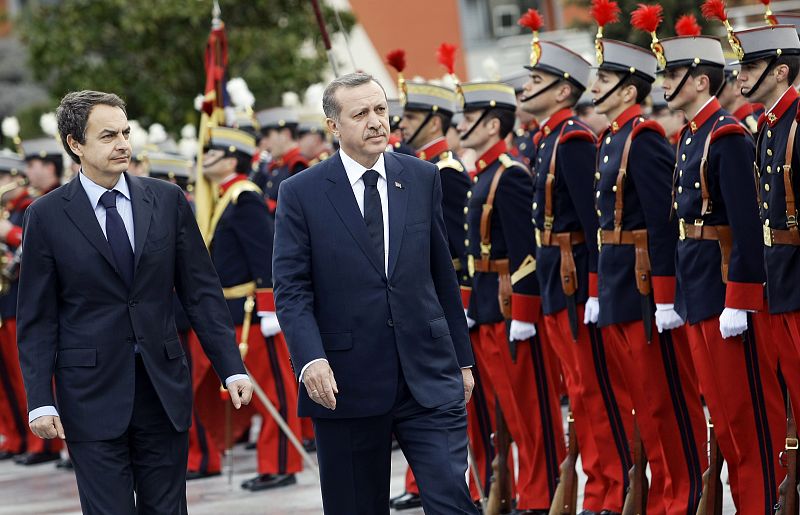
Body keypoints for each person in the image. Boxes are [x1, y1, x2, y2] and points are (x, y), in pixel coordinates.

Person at [16, 90, 253, 514]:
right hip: (90, 395)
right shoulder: (46, 215)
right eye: (108, 136)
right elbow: (38, 317)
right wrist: (39, 399)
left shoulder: (166, 200)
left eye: (125, 133)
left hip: (162, 389)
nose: (123, 144)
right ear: (75, 144)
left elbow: (201, 292)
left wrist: (231, 367)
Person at [273, 72, 477, 515]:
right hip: (346, 383)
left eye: (381, 110)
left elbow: (441, 275)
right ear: (333, 126)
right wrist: (310, 359)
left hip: (428, 375)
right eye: (361, 113)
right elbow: (291, 290)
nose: (375, 121)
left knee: (452, 501)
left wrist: (462, 360)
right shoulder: (301, 192)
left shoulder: (422, 177)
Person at [651, 10, 784, 511]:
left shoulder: (725, 136)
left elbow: (747, 225)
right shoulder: (691, 136)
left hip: (726, 291)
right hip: (699, 288)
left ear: (700, 80)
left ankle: (764, 502)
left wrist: (740, 298)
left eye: (672, 74)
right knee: (724, 418)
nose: (664, 83)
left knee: (748, 415)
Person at [589, 23, 706, 513]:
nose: (593, 88)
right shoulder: (612, 139)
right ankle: (664, 496)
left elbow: (662, 223)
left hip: (643, 288)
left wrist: (665, 296)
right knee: (643, 401)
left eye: (602, 80)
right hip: (619, 284)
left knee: (664, 401)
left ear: (627, 90)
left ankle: (685, 497)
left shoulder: (645, 138)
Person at [520, 35, 633, 514]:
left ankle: (615, 488)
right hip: (553, 276)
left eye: (537, 80)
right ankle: (597, 487)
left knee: (595, 389)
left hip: (574, 279)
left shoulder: (573, 140)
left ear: (564, 91)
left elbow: (593, 224)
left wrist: (594, 288)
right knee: (578, 391)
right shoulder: (548, 139)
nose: (527, 87)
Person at [457, 80, 565, 514]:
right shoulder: (483, 174)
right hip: (487, 305)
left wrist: (523, 312)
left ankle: (545, 494)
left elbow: (526, 251)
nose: (461, 126)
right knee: (511, 411)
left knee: (532, 409)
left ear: (492, 124)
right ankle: (528, 491)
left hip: (509, 306)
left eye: (469, 118)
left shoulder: (510, 174)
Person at [391, 81, 488, 511]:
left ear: (434, 122)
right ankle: (419, 482)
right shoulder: (414, 168)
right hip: (418, 307)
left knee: (449, 403)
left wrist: (459, 305)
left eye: (411, 118)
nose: (401, 124)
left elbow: (453, 252)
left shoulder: (444, 172)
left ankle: (466, 487)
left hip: (441, 306)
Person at [193, 126, 304, 491]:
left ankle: (280, 464)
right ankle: (270, 462)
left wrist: (271, 308)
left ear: (230, 160)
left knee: (274, 390)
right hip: (231, 308)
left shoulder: (245, 197)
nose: (205, 159)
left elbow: (266, 254)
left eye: (212, 154)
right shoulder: (224, 196)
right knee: (254, 391)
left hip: (252, 312)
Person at [735, 20, 800, 499]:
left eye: (751, 65)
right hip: (780, 280)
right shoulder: (769, 126)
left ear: (780, 71)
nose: (740, 75)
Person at [254, 107, 309, 216]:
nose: (264, 142)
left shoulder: (298, 166)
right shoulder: (278, 165)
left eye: (267, 136)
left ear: (285, 134)